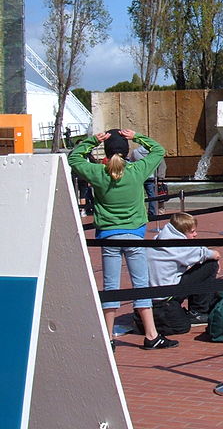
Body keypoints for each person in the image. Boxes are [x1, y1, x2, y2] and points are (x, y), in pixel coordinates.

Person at [68, 129, 178, 351]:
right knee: (141, 285)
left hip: (108, 235)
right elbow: (158, 150)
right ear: (127, 152)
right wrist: (136, 136)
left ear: (106, 152)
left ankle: (108, 337)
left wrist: (92, 141)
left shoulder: (98, 172)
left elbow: (73, 158)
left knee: (111, 286)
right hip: (135, 234)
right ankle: (151, 334)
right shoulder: (137, 170)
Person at [147, 212, 220, 326]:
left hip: (151, 294)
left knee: (199, 265)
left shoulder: (157, 238)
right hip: (168, 294)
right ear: (180, 232)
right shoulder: (181, 245)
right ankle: (198, 312)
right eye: (192, 232)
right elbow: (214, 254)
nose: (195, 234)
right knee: (210, 265)